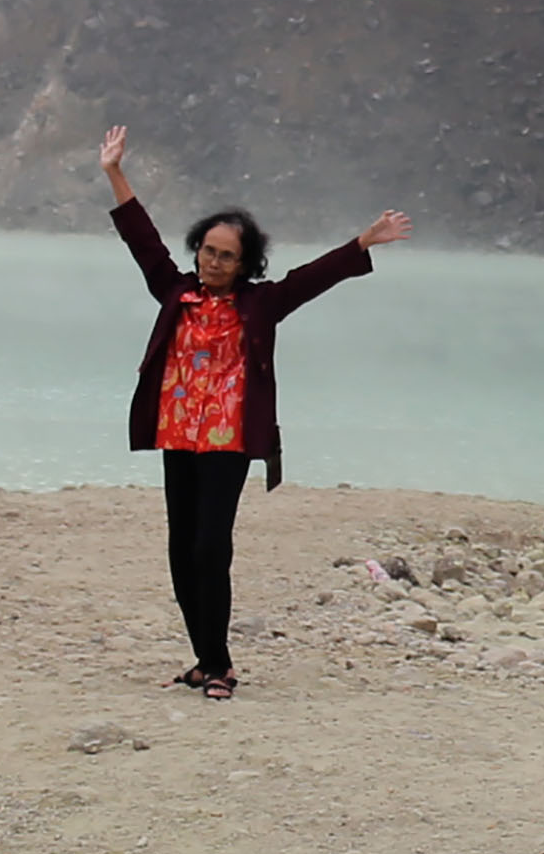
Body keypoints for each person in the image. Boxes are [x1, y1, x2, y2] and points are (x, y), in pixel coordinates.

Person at [98, 125, 408, 699]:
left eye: (227, 256)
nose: (214, 262)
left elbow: (312, 278)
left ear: (245, 263)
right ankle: (206, 659)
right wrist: (115, 172)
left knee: (210, 548)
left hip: (229, 442)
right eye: (208, 251)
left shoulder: (261, 303)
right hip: (177, 435)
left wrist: (363, 243)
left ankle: (219, 664)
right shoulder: (175, 291)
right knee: (180, 549)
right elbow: (141, 238)